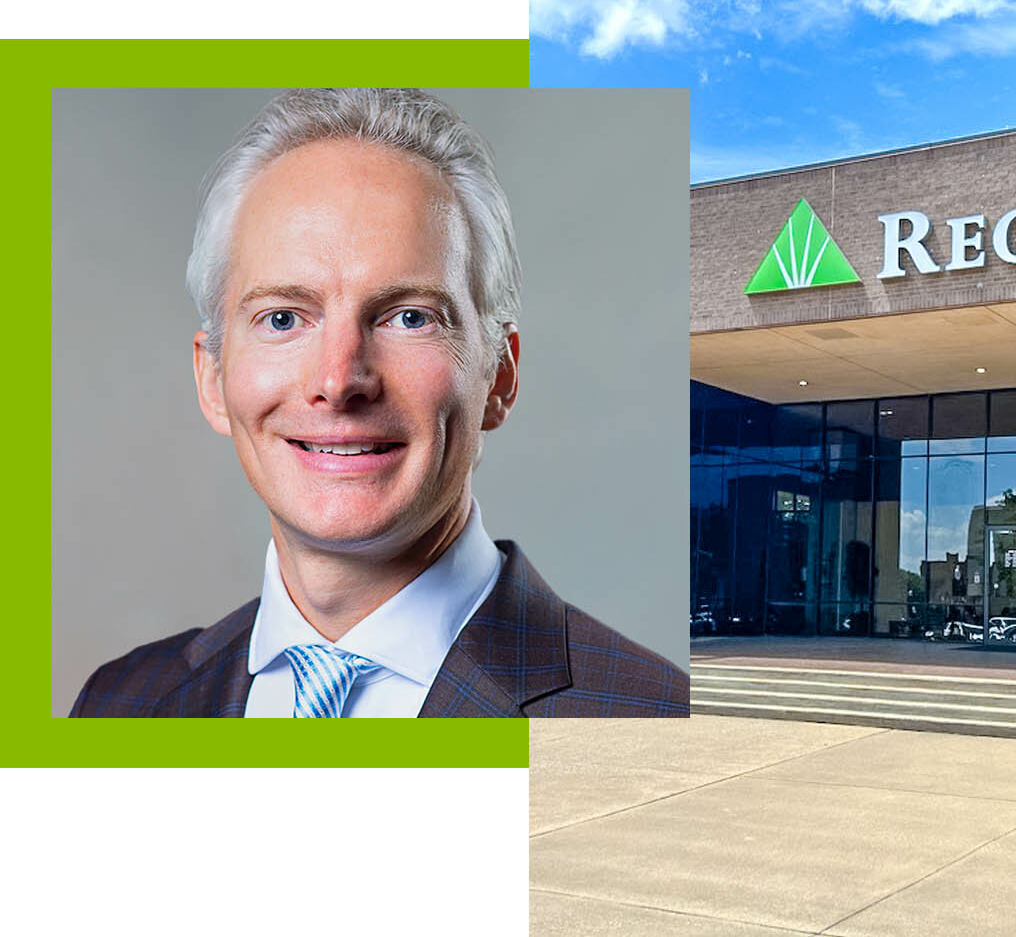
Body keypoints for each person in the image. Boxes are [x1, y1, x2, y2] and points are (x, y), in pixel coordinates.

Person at [70, 89, 688, 718]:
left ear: (499, 374)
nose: (339, 381)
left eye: (409, 317)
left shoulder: (650, 718)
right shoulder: (119, 704)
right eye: (283, 317)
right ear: (212, 378)